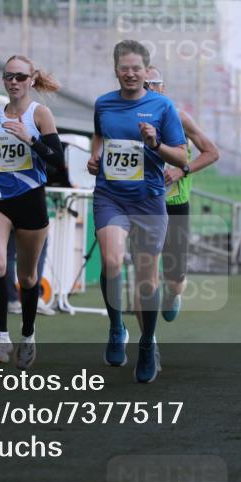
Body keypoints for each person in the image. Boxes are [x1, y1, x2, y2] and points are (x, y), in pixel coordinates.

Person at [87, 40, 187, 383]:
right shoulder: (103, 103)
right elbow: (98, 135)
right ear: (116, 70)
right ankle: (116, 327)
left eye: (136, 68)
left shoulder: (163, 106)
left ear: (146, 71)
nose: (130, 74)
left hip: (148, 200)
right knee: (112, 261)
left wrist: (155, 143)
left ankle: (147, 343)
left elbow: (182, 157)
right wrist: (95, 156)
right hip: (110, 196)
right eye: (124, 68)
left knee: (146, 278)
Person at [0, 55, 65, 369]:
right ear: (3, 79)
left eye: (20, 77)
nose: (13, 82)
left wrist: (30, 139)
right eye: (8, 76)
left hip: (30, 198)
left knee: (27, 277)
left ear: (31, 80)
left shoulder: (40, 114)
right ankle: (1, 337)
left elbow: (57, 161)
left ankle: (27, 335)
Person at [143, 65, 220, 322]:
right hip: (144, 204)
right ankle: (144, 334)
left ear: (163, 88)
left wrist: (182, 170)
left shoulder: (178, 117)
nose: (148, 89)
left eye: (152, 84)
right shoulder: (131, 118)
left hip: (175, 204)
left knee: (175, 280)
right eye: (143, 85)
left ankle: (172, 293)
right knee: (144, 271)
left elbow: (212, 153)